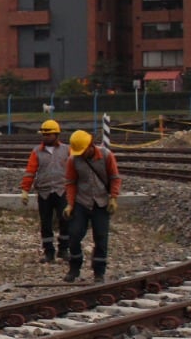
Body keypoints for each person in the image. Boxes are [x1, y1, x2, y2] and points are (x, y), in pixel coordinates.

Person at [64, 129, 121, 284]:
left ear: (91, 145)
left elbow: (115, 178)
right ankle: (74, 268)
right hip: (81, 202)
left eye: (84, 151)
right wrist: (70, 204)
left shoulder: (106, 156)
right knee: (74, 235)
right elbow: (70, 183)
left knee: (101, 238)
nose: (81, 155)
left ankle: (99, 272)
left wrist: (113, 198)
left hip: (101, 203)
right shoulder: (73, 160)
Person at [21, 119, 71, 262]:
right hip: (44, 192)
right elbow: (30, 171)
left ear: (56, 135)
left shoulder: (67, 150)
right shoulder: (37, 151)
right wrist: (25, 189)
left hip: (62, 190)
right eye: (44, 134)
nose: (45, 137)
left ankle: (63, 249)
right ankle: (49, 252)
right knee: (46, 223)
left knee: (65, 220)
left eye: (48, 134)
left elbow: (74, 169)